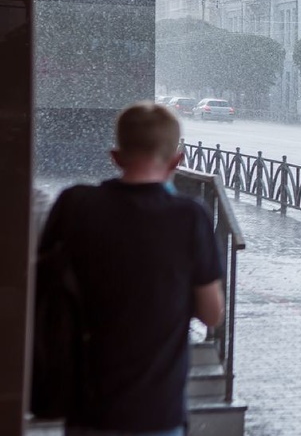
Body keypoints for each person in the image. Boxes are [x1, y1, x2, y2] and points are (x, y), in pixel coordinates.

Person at [37, 101, 224, 436]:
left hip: (87, 405)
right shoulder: (188, 217)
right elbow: (212, 314)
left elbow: (44, 284)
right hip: (157, 411)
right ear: (177, 161)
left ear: (116, 156)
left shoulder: (75, 205)